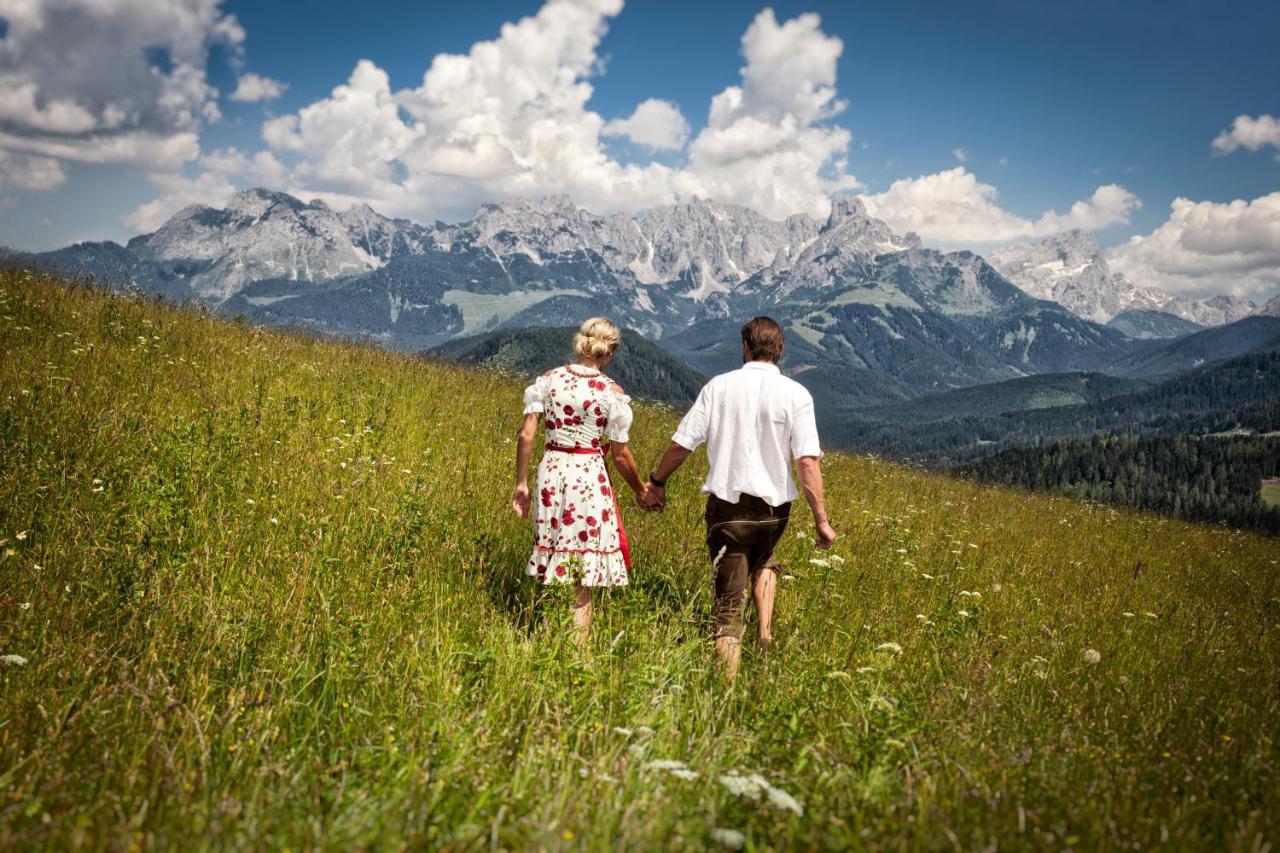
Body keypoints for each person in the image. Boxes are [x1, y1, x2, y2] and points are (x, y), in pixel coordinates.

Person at [642, 316, 835, 678]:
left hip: (729, 510)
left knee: (728, 604)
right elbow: (807, 461)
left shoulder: (719, 387)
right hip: (776, 510)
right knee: (765, 557)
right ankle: (764, 634)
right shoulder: (797, 394)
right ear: (780, 351)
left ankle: (728, 692)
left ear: (746, 347)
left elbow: (683, 443)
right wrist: (821, 520)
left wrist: (657, 481)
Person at [511, 317, 649, 644]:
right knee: (584, 566)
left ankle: (544, 636)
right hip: (589, 472)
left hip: (553, 468)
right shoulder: (611, 392)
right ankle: (577, 648)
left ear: (580, 344)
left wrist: (521, 483)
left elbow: (527, 434)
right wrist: (641, 489)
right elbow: (619, 454)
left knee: (552, 554)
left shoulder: (548, 381)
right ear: (610, 351)